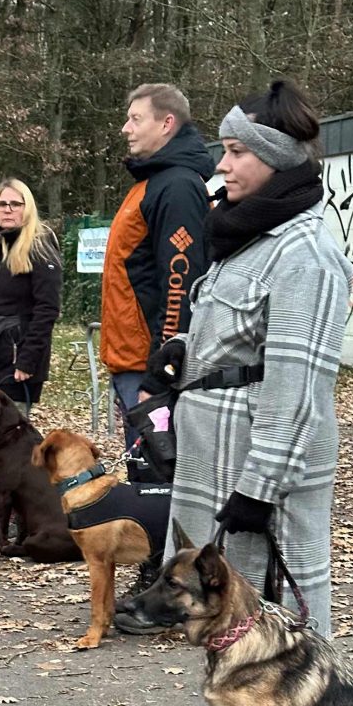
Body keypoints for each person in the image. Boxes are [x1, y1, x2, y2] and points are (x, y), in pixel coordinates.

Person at [134, 80, 353, 706]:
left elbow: (298, 384)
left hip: (263, 466)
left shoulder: (307, 251)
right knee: (230, 617)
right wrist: (183, 351)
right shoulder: (251, 234)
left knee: (274, 622)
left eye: (234, 151)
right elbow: (237, 337)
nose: (220, 165)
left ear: (274, 157)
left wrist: (261, 487)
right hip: (216, 456)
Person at [100, 83, 215, 471]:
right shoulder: (150, 183)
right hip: (130, 362)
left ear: (166, 123)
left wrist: (160, 374)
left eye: (135, 119)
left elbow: (181, 283)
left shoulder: (177, 187)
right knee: (143, 474)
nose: (125, 128)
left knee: (157, 479)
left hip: (148, 368)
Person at [0, 178, 61, 417]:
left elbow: (47, 310)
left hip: (18, 361)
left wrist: (28, 359)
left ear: (27, 208)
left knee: (10, 432)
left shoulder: (40, 249)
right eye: (2, 204)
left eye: (15, 204)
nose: (7, 209)